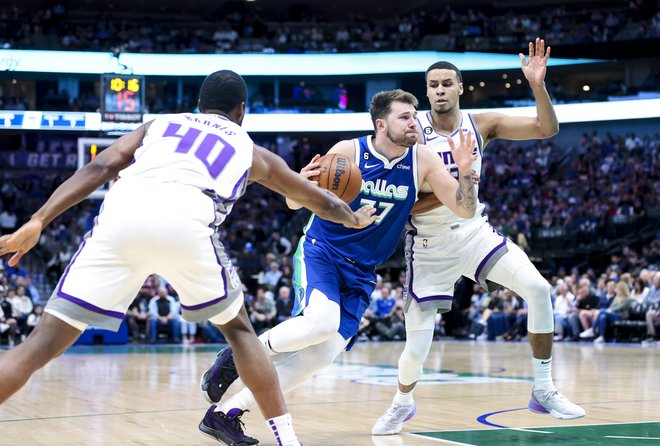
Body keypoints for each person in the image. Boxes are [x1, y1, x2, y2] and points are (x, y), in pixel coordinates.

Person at [0, 69, 378, 446]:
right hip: (186, 221)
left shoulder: (158, 125)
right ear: (241, 111)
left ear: (198, 105)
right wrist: (354, 217)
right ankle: (287, 441)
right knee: (241, 333)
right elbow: (322, 201)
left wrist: (38, 220)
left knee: (37, 348)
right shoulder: (250, 150)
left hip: (120, 217)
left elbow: (101, 166)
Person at [198, 89, 478, 441]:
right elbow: (291, 202)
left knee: (322, 355)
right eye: (404, 117)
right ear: (381, 124)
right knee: (321, 322)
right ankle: (238, 354)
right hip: (323, 251)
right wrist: (300, 181)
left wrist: (465, 174)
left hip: (363, 270)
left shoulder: (423, 159)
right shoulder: (348, 152)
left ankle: (227, 412)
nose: (414, 122)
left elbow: (464, 209)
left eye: (414, 115)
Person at [372, 38, 585, 436]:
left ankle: (543, 389)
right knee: (415, 352)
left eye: (446, 83)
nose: (439, 90)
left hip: (474, 234)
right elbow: (402, 201)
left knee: (540, 290)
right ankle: (402, 402)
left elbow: (547, 128)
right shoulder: (410, 136)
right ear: (426, 92)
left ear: (459, 88)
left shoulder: (481, 124)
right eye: (432, 85)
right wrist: (453, 191)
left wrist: (537, 84)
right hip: (428, 248)